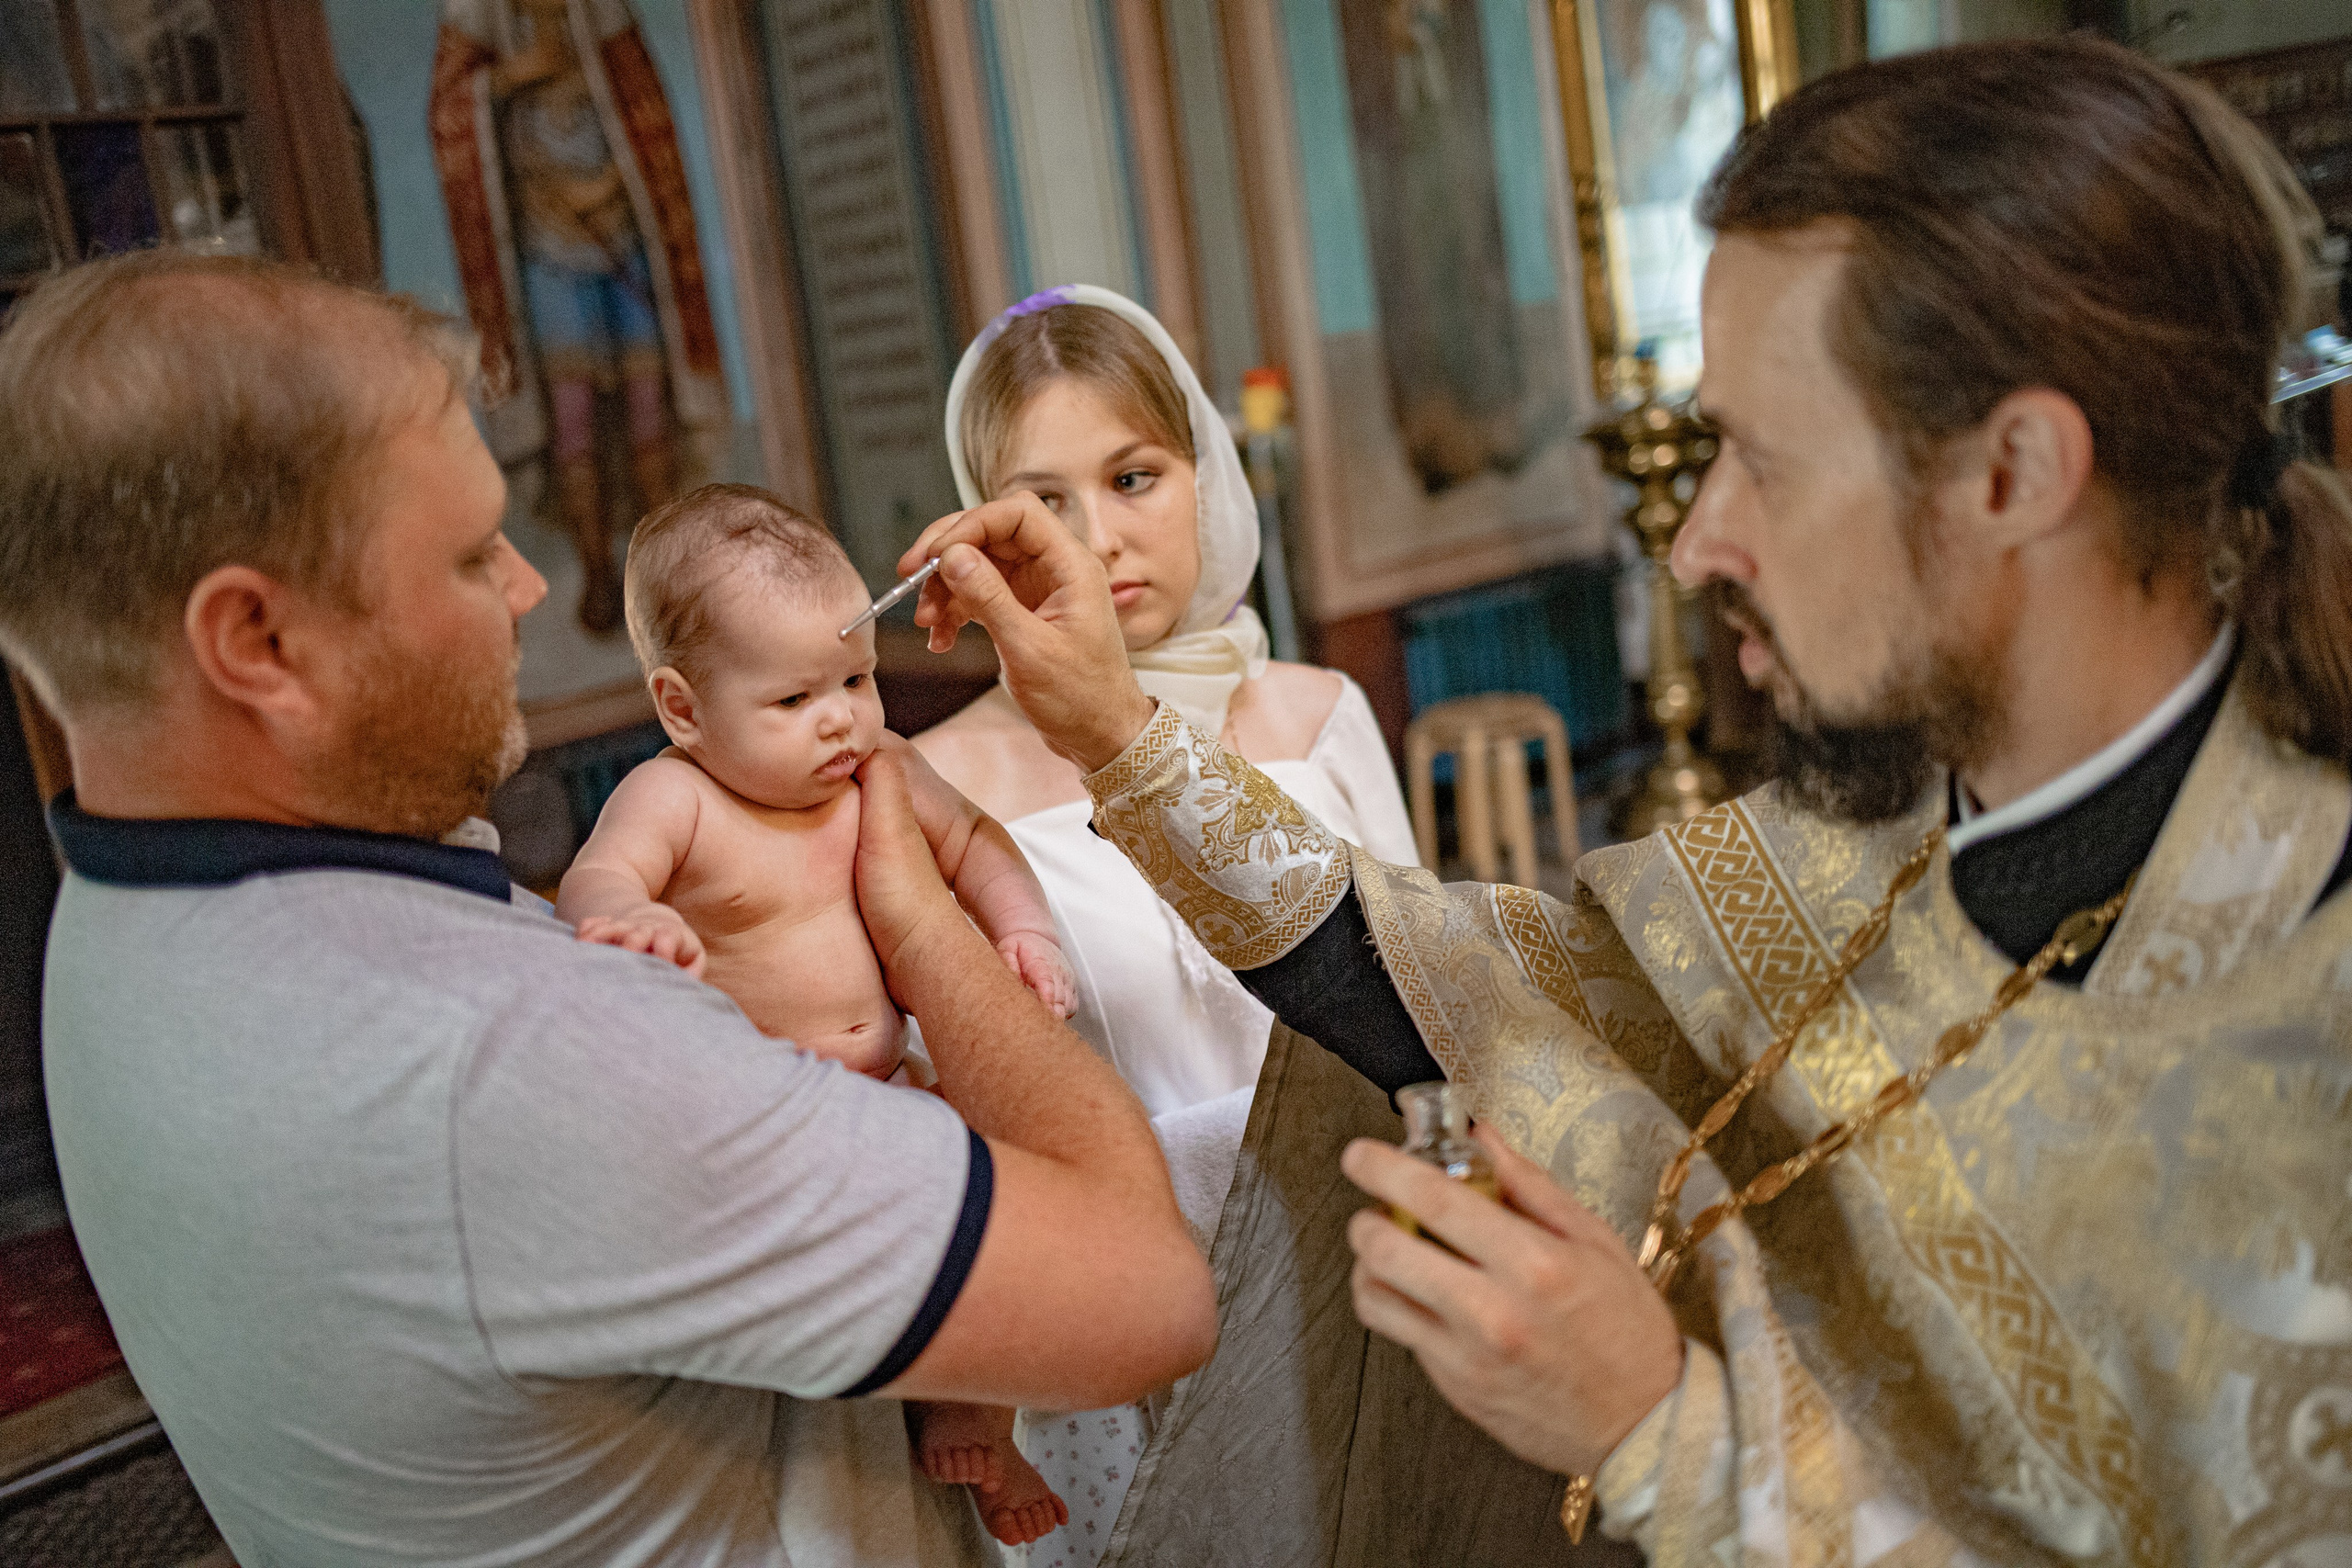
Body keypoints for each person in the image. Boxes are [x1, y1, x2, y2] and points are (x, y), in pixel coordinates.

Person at [899, 38, 2352, 1566]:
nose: (1701, 539)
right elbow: (1482, 997)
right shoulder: (1889, 830)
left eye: (1762, 460)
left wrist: (1657, 1427)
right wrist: (1119, 736)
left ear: (2014, 472)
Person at [0, 250, 1215, 1566]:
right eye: (472, 554)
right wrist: (918, 921)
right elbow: (1148, 1292)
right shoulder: (508, 1056)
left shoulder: (116, 922)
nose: (529, 587)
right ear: (257, 642)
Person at [912, 287, 1419, 1563]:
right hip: (1137, 1322)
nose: (1098, 541)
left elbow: (1435, 995)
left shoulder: (1318, 712)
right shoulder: (941, 786)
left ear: (1205, 473)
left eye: (1134, 478)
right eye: (1044, 504)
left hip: (1364, 1258)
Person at [555, 482, 1075, 1544]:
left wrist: (1025, 931)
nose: (840, 716)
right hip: (770, 1118)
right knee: (850, 1286)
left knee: (1009, 1221)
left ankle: (979, 1416)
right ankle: (898, 1419)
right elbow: (596, 876)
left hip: (896, 1087)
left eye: (855, 678)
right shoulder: (678, 798)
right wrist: (629, 917)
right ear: (683, 709)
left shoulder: (880, 770)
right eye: (793, 699)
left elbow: (977, 842)